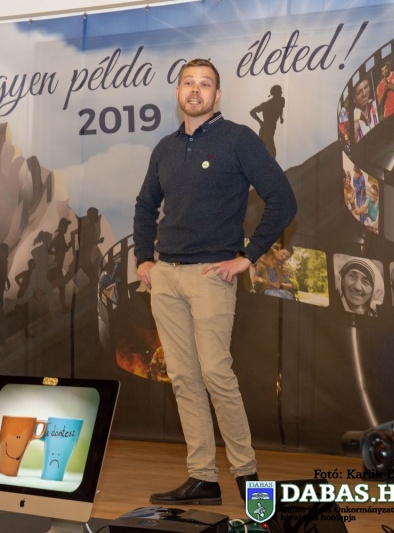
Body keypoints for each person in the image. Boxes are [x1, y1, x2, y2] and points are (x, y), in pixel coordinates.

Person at [133, 58, 297, 506]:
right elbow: (145, 206)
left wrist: (248, 257)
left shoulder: (238, 139)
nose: (196, 90)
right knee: (184, 379)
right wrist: (144, 258)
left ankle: (248, 479)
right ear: (178, 92)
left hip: (211, 276)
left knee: (216, 375)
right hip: (166, 278)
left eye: (205, 84)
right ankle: (203, 478)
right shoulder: (164, 148)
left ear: (217, 95)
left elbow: (283, 199)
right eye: (188, 82)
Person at [249, 85, 285, 158]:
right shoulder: (266, 105)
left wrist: (281, 117)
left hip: (271, 130)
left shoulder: (281, 100)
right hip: (265, 130)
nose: (281, 92)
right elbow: (252, 112)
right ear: (274, 93)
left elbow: (280, 108)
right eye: (279, 91)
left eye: (281, 91)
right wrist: (260, 122)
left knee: (269, 152)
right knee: (271, 151)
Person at [352, 78, 379, 142]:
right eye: (359, 92)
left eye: (366, 87)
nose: (364, 94)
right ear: (354, 100)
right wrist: (355, 132)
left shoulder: (376, 104)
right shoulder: (351, 121)